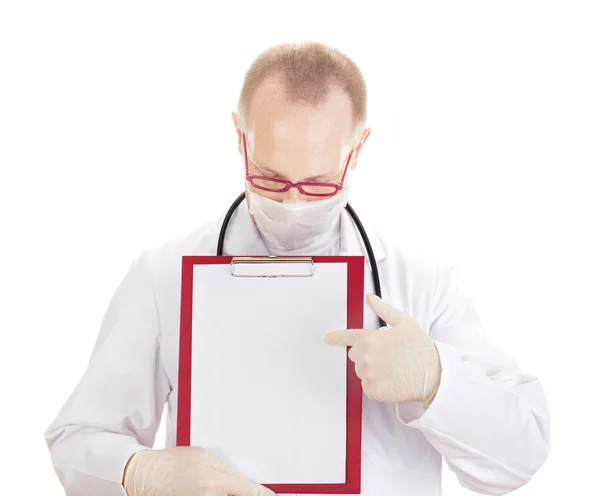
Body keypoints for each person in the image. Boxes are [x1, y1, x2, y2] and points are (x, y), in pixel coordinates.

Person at [45, 42, 550, 496]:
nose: (291, 201)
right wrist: (137, 472)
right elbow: (78, 438)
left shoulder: (422, 283)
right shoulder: (163, 276)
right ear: (240, 139)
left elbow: (518, 459)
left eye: (318, 184)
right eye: (268, 177)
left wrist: (436, 379)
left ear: (357, 152)